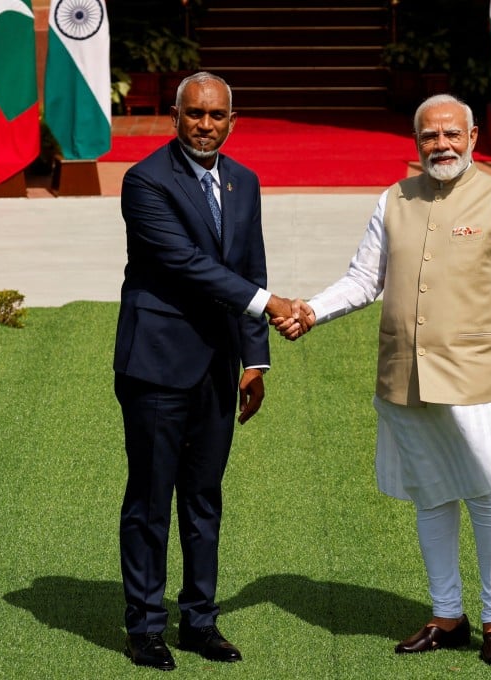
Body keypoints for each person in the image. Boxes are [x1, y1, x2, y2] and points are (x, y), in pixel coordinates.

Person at [274, 94, 491, 666]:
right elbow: (362, 279)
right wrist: (311, 311)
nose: (442, 145)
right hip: (405, 379)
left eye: (453, 134)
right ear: (416, 141)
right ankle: (446, 615)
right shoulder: (392, 200)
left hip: (480, 380)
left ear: (474, 137)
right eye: (430, 137)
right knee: (430, 497)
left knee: (486, 498)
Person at [113, 71, 298, 670]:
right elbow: (189, 264)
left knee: (203, 498)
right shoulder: (145, 181)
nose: (205, 124)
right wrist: (268, 305)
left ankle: (198, 621)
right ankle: (145, 627)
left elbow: (249, 265)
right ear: (175, 116)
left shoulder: (245, 182)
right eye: (194, 114)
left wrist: (255, 359)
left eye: (217, 115)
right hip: (157, 366)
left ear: (231, 120)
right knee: (149, 499)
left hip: (218, 368)